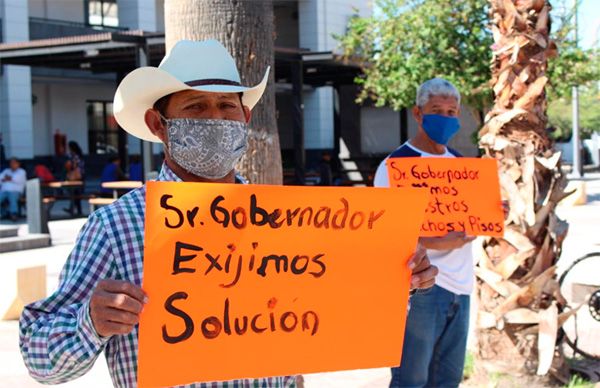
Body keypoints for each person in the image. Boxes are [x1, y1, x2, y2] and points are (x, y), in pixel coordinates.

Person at [20, 40, 437, 387]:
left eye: (226, 105)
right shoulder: (117, 227)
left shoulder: (285, 220)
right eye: (196, 107)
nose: (216, 119)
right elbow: (41, 359)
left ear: (245, 117)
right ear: (158, 123)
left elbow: (335, 308)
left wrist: (399, 279)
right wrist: (91, 322)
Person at [374, 78, 475, 388]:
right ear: (418, 114)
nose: (445, 118)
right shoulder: (393, 167)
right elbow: (384, 235)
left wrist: (492, 215)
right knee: (411, 380)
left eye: (451, 111)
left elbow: (472, 219)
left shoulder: (461, 163)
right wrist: (439, 241)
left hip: (462, 287)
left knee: (448, 380)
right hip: (419, 290)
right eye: (436, 110)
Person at [63, 141, 85, 215]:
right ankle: (74, 209)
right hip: (80, 176)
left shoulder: (74, 156)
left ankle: (76, 210)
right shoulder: (79, 155)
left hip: (76, 177)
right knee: (76, 193)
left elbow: (72, 166)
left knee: (75, 193)